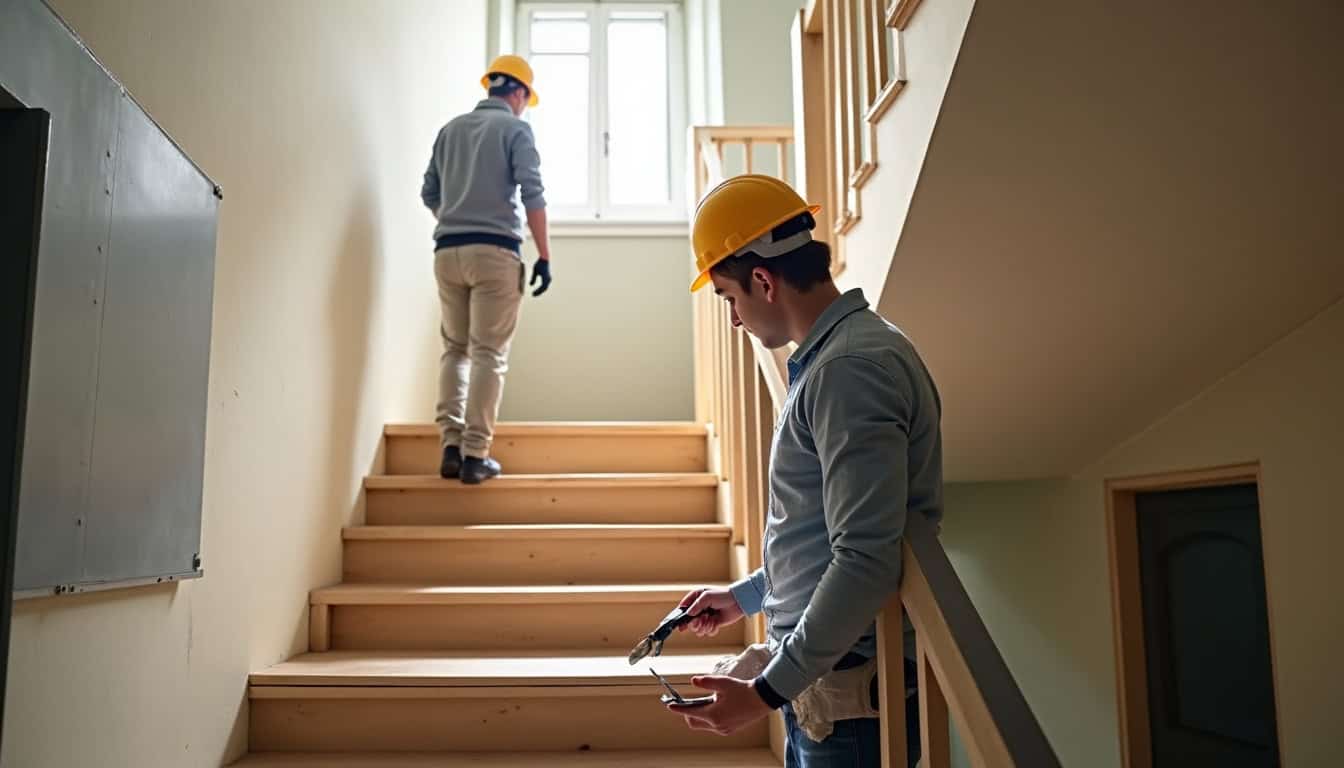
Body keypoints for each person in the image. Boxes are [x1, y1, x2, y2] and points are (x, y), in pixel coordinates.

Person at [666, 175, 943, 767]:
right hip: (829, 692)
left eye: (729, 299)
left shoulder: (849, 370)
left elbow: (866, 557)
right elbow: (824, 541)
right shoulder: (834, 361)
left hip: (851, 707)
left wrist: (764, 692)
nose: (735, 321)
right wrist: (745, 597)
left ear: (763, 281)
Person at [421, 54, 552, 484]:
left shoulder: (450, 130)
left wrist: (455, 216)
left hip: (447, 251)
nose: (524, 106)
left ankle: (451, 446)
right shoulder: (516, 129)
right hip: (495, 252)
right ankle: (476, 454)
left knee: (454, 349)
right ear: (517, 92)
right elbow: (533, 195)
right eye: (526, 98)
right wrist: (545, 256)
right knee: (488, 353)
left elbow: (429, 193)